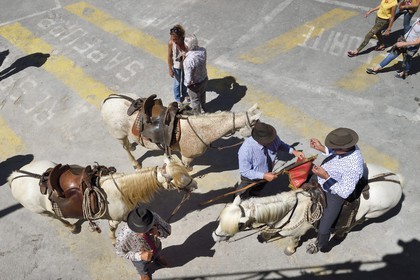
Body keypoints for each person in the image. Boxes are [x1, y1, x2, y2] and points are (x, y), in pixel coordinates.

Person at [306, 128, 365, 254]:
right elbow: (334, 151)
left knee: (323, 228)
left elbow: (344, 191)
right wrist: (321, 148)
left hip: (334, 192)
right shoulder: (348, 145)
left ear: (344, 149)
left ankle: (320, 244)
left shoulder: (354, 166)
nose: (332, 150)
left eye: (334, 148)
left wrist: (326, 176)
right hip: (321, 176)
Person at [236, 121, 305, 198]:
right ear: (258, 140)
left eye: (271, 139)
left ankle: (254, 195)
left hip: (267, 174)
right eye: (268, 141)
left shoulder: (273, 138)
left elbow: (280, 145)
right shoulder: (246, 150)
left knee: (257, 191)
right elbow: (245, 171)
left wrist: (293, 151)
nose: (272, 142)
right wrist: (264, 175)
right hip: (250, 178)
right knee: (241, 194)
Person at [115, 207, 171, 280]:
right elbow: (119, 252)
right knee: (141, 267)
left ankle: (157, 258)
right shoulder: (124, 236)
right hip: (140, 257)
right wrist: (139, 256)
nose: (142, 233)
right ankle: (144, 274)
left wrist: (158, 232)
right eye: (138, 230)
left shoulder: (153, 217)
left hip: (156, 246)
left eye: (147, 229)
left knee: (158, 252)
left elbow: (168, 230)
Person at [183, 34, 208, 114]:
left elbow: (188, 80)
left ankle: (198, 117)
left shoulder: (188, 61)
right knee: (202, 96)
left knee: (195, 101)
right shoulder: (203, 50)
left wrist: (187, 85)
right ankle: (204, 109)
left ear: (187, 46)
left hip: (195, 84)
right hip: (204, 78)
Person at [167, 24, 188, 105]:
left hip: (186, 64)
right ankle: (178, 99)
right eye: (172, 38)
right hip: (177, 65)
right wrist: (170, 69)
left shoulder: (185, 41)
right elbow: (169, 56)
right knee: (177, 82)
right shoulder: (171, 43)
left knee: (185, 80)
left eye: (175, 39)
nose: (174, 40)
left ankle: (185, 94)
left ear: (181, 37)